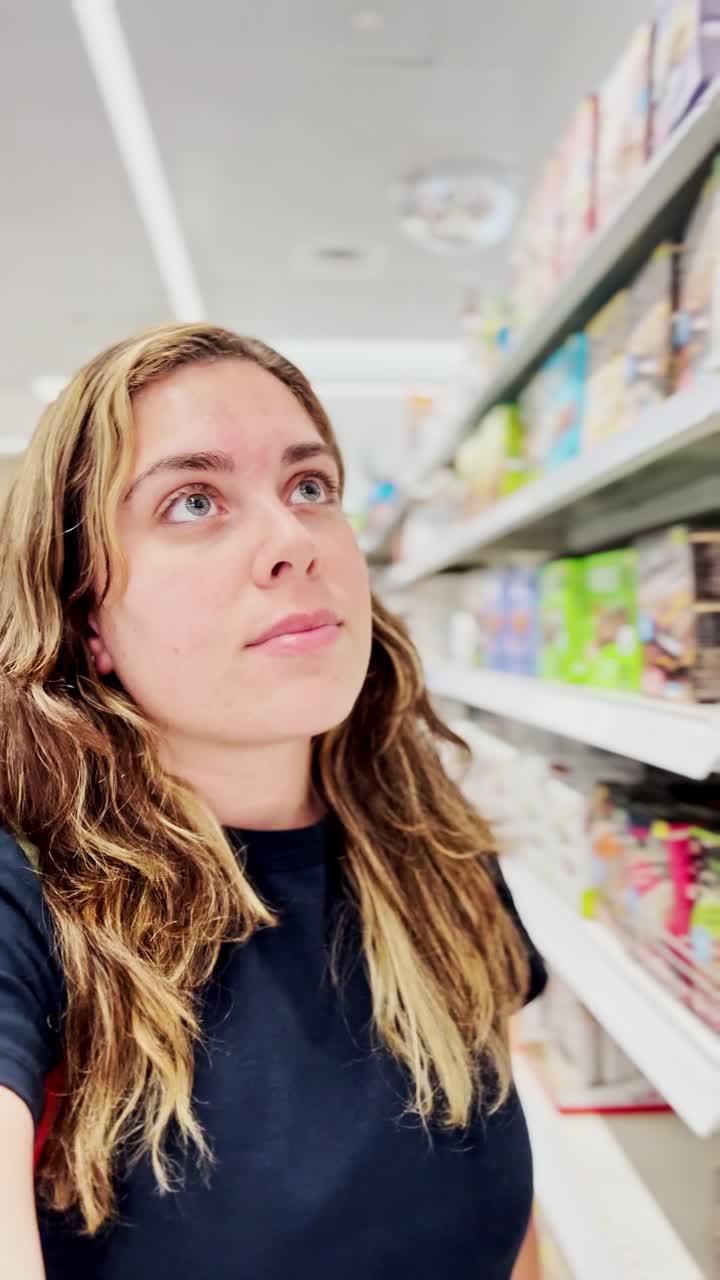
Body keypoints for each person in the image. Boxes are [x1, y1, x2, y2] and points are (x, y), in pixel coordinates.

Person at [0, 324, 547, 1279]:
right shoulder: (31, 892)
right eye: (195, 500)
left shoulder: (434, 849)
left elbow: (506, 1216)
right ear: (88, 619)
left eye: (311, 487)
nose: (293, 541)